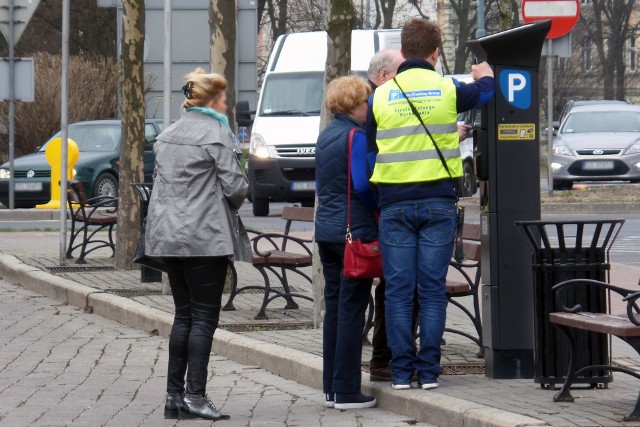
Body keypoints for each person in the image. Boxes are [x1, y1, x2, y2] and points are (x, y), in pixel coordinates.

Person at [366, 18, 495, 390]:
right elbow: (486, 93)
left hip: (394, 206)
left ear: (403, 52)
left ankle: (402, 373)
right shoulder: (447, 89)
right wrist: (484, 72)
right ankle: (429, 370)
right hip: (439, 204)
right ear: (436, 53)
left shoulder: (380, 95)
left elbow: (372, 154)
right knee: (432, 290)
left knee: (399, 290)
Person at [145, 68, 250, 420]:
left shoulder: (168, 134)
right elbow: (236, 188)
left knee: (184, 316)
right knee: (205, 319)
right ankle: (196, 396)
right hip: (204, 237)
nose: (226, 103)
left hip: (167, 236)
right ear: (215, 100)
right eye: (224, 97)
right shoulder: (217, 133)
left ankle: (174, 398)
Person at [315, 75, 379, 410]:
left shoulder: (326, 136)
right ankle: (347, 390)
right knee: (353, 310)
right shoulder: (355, 135)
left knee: (335, 309)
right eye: (366, 101)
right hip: (353, 232)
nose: (369, 106)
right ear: (355, 104)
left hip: (327, 231)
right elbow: (363, 184)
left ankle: (330, 388)